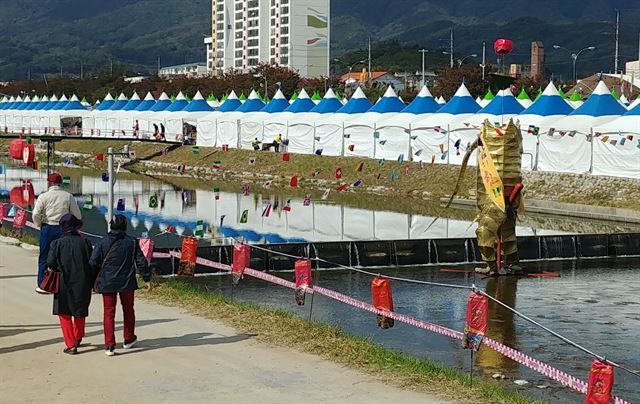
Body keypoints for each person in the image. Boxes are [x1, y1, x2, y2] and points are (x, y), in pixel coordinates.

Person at [90, 215, 152, 356]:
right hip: (127, 282)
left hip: (107, 281)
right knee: (128, 309)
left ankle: (109, 345)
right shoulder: (132, 242)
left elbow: (93, 262)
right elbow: (141, 262)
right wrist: (147, 278)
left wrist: (91, 280)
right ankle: (128, 339)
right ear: (125, 226)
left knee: (108, 312)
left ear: (111, 225)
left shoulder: (102, 242)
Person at [47, 213, 94, 355]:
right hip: (83, 280)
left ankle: (71, 343)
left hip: (63, 281)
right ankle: (78, 335)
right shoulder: (85, 242)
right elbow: (92, 261)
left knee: (64, 312)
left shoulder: (56, 244)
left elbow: (50, 263)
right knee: (79, 310)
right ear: (76, 228)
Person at [32, 172, 82, 294]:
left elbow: (36, 214)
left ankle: (42, 284)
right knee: (63, 257)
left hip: (47, 228)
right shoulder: (68, 196)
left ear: (49, 183)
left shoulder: (43, 197)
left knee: (44, 256)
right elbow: (78, 215)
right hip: (63, 229)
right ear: (61, 183)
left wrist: (39, 224)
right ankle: (63, 284)